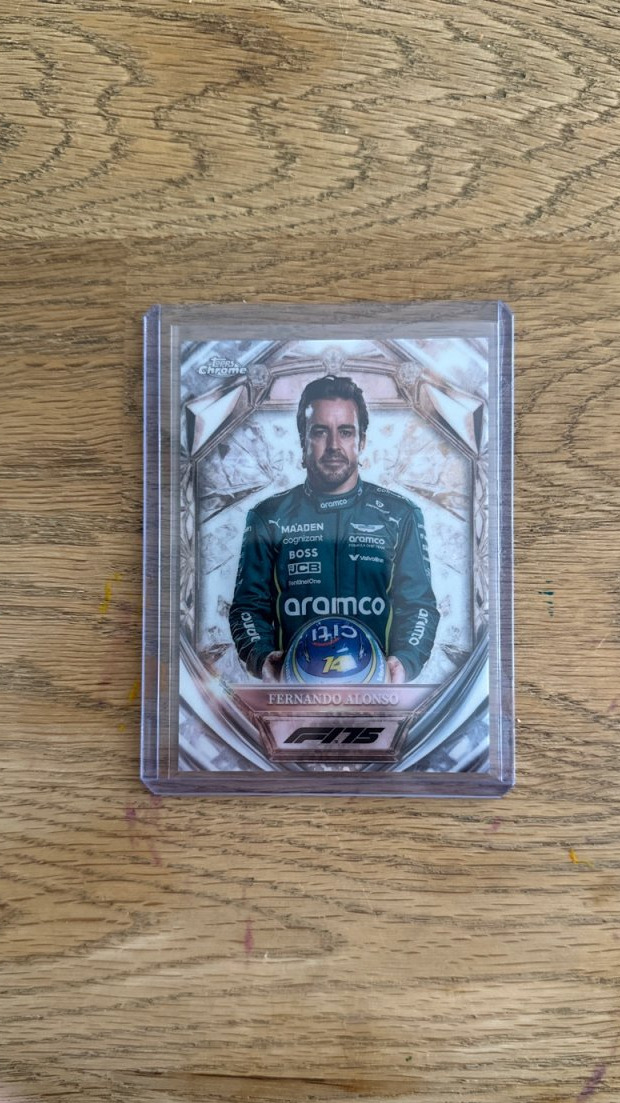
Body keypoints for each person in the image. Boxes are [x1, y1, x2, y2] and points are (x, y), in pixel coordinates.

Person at [229, 375, 439, 683]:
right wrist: (262, 658)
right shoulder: (268, 516)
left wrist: (404, 662)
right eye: (319, 432)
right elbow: (248, 607)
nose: (333, 446)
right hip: (295, 689)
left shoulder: (400, 514)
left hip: (377, 690)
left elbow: (419, 606)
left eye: (345, 432)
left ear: (361, 441)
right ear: (302, 439)